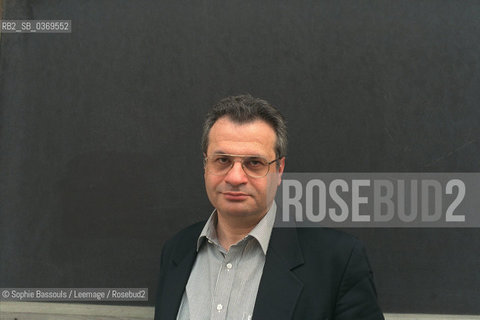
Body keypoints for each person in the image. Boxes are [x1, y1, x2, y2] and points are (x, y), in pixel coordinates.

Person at [154, 94, 384, 320]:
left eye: (254, 163)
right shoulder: (176, 252)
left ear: (279, 169)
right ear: (206, 164)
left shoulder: (337, 261)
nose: (235, 177)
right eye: (222, 160)